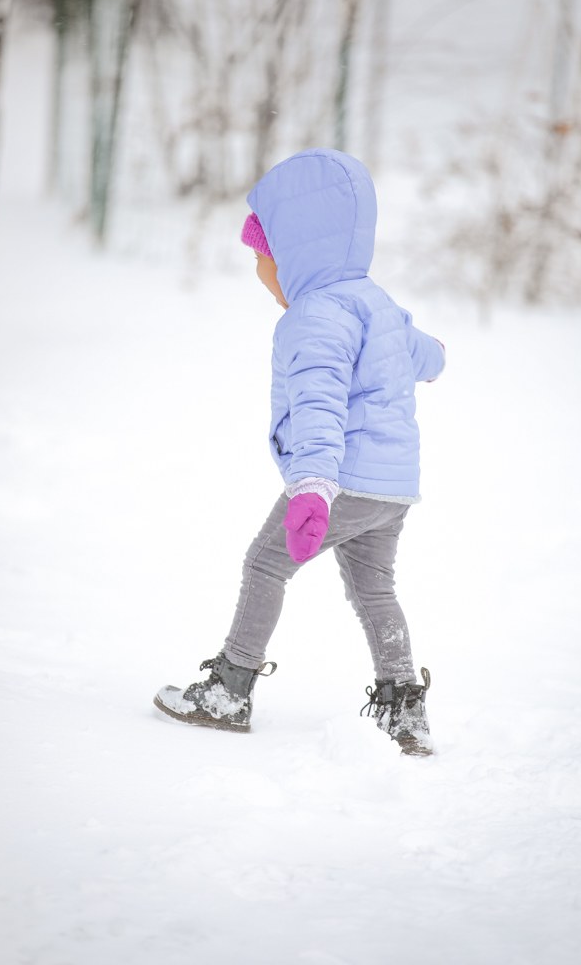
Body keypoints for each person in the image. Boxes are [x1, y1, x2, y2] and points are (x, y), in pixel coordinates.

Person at [154, 148, 445, 756]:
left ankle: (230, 688)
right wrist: (429, 353)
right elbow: (425, 355)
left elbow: (318, 402)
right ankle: (403, 713)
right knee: (375, 589)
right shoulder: (377, 303)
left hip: (338, 480)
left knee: (266, 564)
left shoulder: (316, 317)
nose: (261, 273)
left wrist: (312, 483)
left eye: (263, 259)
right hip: (394, 488)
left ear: (294, 253)